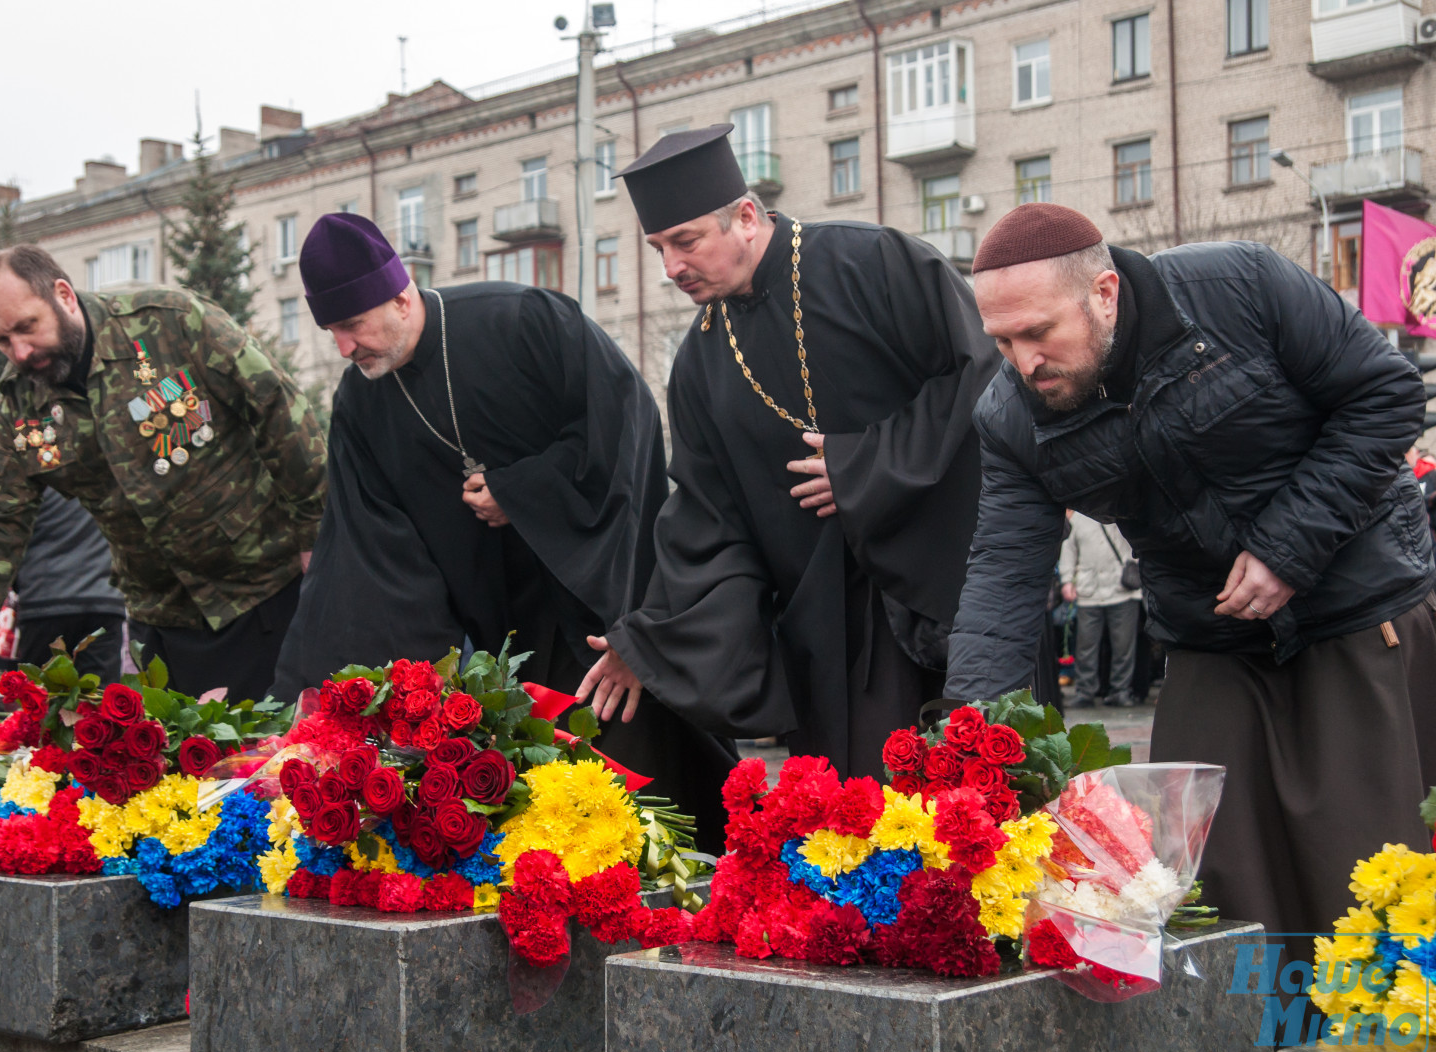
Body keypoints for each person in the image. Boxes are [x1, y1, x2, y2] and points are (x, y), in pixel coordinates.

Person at [945, 202, 1436, 959]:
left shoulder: (1241, 285)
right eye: (1002, 340)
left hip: (1353, 603)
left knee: (1366, 868)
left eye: (1039, 332)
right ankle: (1260, 1035)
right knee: (1206, 880)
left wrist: (1285, 550)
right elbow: (1003, 575)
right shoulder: (1010, 415)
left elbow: (1386, 394)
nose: (1023, 361)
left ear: (1103, 293)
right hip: (1207, 633)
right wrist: (970, 742)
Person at [269, 214, 737, 849]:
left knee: (648, 794)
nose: (345, 349)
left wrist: (524, 495)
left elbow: (624, 429)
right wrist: (370, 695)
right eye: (332, 333)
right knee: (541, 821)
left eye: (352, 326)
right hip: (502, 644)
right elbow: (367, 550)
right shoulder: (360, 402)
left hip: (598, 606)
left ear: (402, 297)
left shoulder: (521, 321)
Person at [578, 125, 1002, 780]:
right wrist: (650, 638)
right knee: (860, 836)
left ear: (746, 216)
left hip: (956, 586)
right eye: (659, 248)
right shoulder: (698, 362)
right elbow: (707, 521)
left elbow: (980, 370)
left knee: (996, 811)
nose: (671, 268)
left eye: (685, 241)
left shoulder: (873, 262)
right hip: (834, 642)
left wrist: (864, 467)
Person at [0, 245, 327, 703]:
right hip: (163, 619)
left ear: (64, 296)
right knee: (190, 767)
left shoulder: (171, 323)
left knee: (274, 761)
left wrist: (317, 539)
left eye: (27, 327)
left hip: (265, 588)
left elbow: (279, 414)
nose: (21, 351)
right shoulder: (21, 405)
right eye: (1, 341)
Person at [11, 488, 128, 683]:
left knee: (41, 697)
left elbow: (8, 538)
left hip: (44, 598)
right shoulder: (107, 474)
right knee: (97, 699)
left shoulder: (34, 477)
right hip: (102, 598)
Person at [1058, 512, 1140, 708]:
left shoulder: (1123, 511)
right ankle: (1085, 690)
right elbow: (1068, 549)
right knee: (1086, 646)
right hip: (1089, 591)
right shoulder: (1078, 518)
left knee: (1124, 647)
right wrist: (1067, 580)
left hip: (1122, 588)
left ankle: (1120, 690)